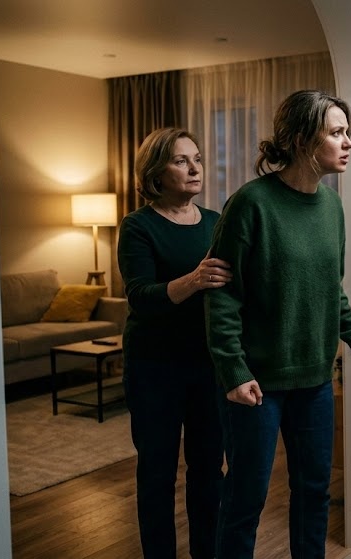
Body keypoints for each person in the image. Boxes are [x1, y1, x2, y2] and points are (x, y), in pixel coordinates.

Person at [206, 89, 351, 559]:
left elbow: (330, 287)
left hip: (315, 381)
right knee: (245, 498)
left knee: (313, 492)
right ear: (303, 138)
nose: (348, 142)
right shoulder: (251, 203)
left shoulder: (331, 207)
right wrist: (233, 371)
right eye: (337, 132)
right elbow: (222, 296)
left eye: (348, 132)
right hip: (256, 384)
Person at [117, 127, 233, 558]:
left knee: (208, 471)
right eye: (181, 160)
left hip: (208, 366)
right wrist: (194, 280)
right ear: (155, 172)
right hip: (154, 368)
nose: (195, 167)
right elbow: (141, 297)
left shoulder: (216, 223)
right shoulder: (138, 226)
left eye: (197, 158)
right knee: (157, 475)